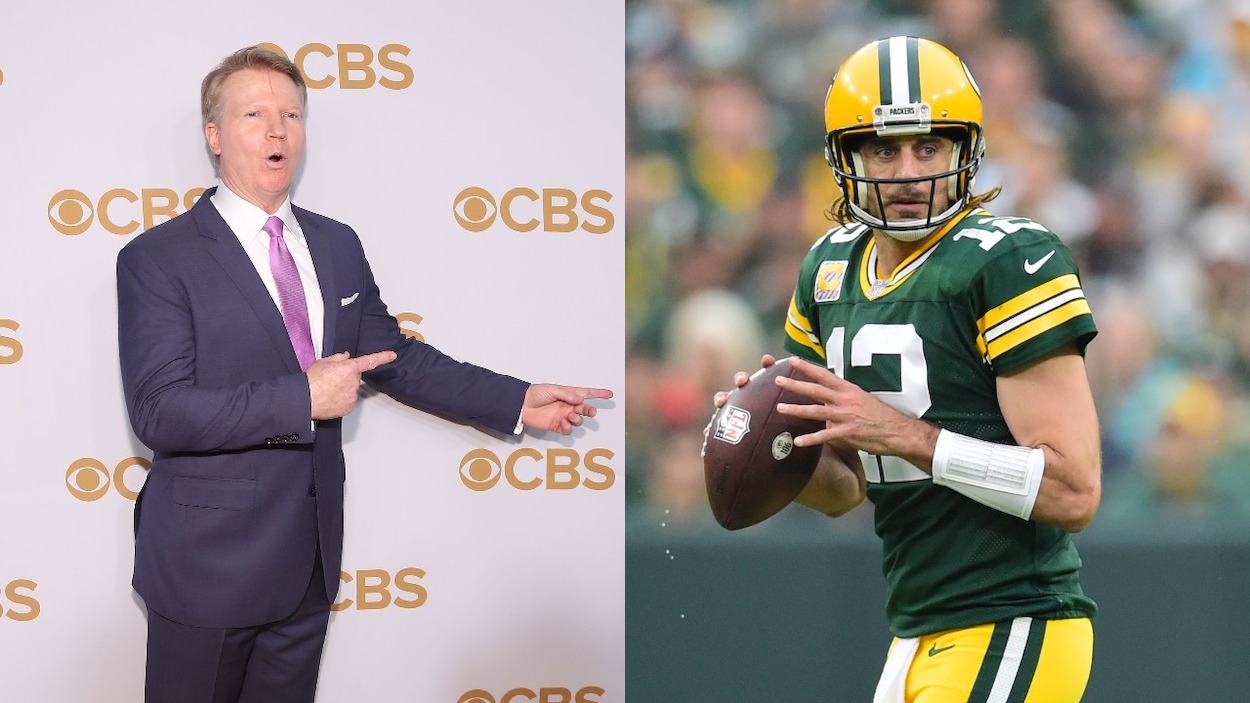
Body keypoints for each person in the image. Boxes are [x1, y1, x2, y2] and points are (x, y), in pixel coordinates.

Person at [115, 46, 612, 703]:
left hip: (307, 568)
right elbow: (160, 412)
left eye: (291, 113)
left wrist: (518, 399)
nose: (277, 129)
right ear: (214, 135)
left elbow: (394, 357)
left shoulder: (336, 243)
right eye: (255, 114)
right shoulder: (157, 258)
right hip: (205, 570)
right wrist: (303, 397)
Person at [713, 36, 1101, 702]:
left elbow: (1073, 491)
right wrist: (767, 440)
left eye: (929, 147)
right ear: (847, 157)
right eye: (884, 149)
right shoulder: (828, 270)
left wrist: (903, 435)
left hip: (1013, 616)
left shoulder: (1006, 260)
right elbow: (844, 489)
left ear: (965, 151)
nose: (907, 171)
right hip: (917, 628)